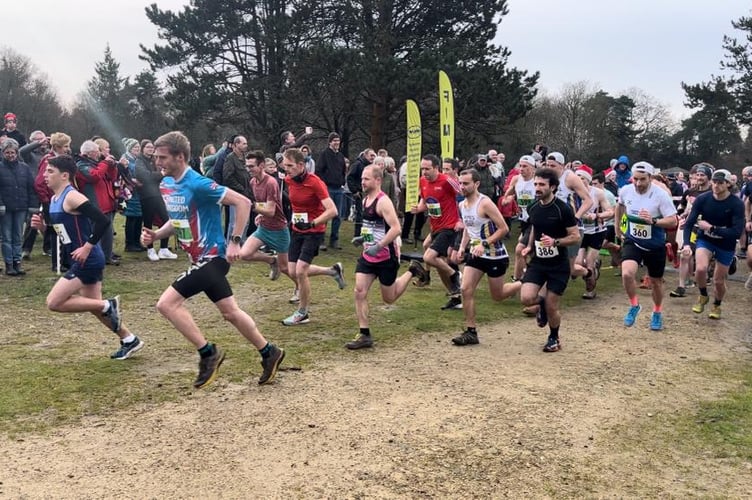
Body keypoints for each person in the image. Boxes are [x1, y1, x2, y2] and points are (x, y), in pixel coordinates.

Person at [141, 131, 284, 388]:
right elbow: (178, 221)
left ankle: (208, 354)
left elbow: (242, 202)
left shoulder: (198, 184)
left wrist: (235, 240)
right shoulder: (167, 184)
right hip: (196, 259)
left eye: (163, 157)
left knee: (167, 304)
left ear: (180, 157)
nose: (157, 162)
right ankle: (269, 352)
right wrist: (156, 235)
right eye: (157, 157)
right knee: (230, 312)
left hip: (213, 258)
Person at [30, 155, 143, 359]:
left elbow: (102, 221)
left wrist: (87, 247)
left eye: (50, 171)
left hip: (87, 260)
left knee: (53, 302)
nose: (45, 175)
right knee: (95, 308)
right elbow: (62, 232)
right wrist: (42, 228)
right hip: (78, 258)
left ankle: (107, 304)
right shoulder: (55, 199)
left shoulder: (72, 196)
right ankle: (129, 339)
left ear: (64, 175)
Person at [348, 165, 419, 349]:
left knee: (389, 298)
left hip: (386, 257)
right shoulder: (365, 200)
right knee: (359, 291)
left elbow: (396, 228)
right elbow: (372, 227)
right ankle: (364, 334)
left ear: (378, 180)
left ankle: (413, 270)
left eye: (366, 179)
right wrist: (362, 238)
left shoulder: (383, 202)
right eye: (362, 179)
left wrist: (379, 246)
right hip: (368, 257)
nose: (362, 182)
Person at [451, 168, 521, 346]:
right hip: (476, 255)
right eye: (461, 183)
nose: (462, 187)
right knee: (466, 289)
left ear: (477, 184)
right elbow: (468, 227)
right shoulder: (462, 205)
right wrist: (462, 247)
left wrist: (484, 243)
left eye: (466, 183)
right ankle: (470, 331)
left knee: (497, 296)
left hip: (495, 255)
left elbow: (504, 228)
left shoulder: (485, 203)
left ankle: (525, 281)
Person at [282, 147, 347, 325]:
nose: (286, 168)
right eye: (284, 165)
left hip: (314, 231)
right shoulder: (289, 179)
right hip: (297, 230)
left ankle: (302, 312)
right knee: (292, 270)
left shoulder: (315, 182)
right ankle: (332, 271)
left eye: (290, 165)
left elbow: (333, 210)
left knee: (301, 271)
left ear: (301, 165)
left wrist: (312, 223)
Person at [519, 168, 580, 352]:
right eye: (536, 184)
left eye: (542, 185)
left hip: (558, 264)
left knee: (552, 305)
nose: (537, 188)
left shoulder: (563, 209)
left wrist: (556, 242)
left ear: (552, 187)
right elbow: (535, 229)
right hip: (538, 261)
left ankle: (554, 337)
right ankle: (542, 307)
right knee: (526, 298)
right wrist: (529, 246)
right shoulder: (533, 207)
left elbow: (575, 236)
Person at [615, 162, 678, 331]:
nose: (638, 183)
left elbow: (673, 220)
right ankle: (634, 305)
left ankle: (657, 312)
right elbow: (620, 206)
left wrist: (654, 221)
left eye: (642, 179)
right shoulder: (626, 190)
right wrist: (618, 229)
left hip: (655, 245)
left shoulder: (660, 195)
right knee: (627, 273)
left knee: (656, 282)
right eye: (635, 179)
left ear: (650, 178)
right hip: (633, 240)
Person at [682, 169, 745, 319]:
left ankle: (717, 305)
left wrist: (711, 228)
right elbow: (689, 223)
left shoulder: (736, 204)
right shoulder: (703, 199)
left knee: (718, 280)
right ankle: (703, 295)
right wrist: (685, 244)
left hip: (726, 244)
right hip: (706, 240)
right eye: (714, 182)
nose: (716, 186)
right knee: (701, 269)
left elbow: (736, 232)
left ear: (728, 184)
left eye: (720, 183)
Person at [407, 154, 463, 309]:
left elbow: (464, 195)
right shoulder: (423, 181)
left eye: (427, 169)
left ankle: (455, 274)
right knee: (438, 263)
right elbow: (425, 201)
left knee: (429, 257)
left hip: (449, 226)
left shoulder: (446, 181)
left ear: (436, 168)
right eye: (422, 168)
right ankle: (455, 295)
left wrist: (462, 219)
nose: (424, 172)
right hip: (435, 227)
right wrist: (418, 208)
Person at [239, 150, 297, 292]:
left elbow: (271, 211)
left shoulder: (271, 183)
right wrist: (260, 214)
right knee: (244, 254)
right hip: (264, 228)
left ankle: (300, 287)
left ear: (262, 165)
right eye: (247, 166)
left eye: (251, 166)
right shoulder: (253, 182)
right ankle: (272, 261)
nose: (249, 169)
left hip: (279, 230)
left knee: (285, 268)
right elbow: (264, 206)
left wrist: (253, 207)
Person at [135, 139, 177, 262]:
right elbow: (145, 176)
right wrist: (160, 174)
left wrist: (158, 174)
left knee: (166, 220)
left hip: (159, 194)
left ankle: (164, 248)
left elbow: (161, 173)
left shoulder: (155, 160)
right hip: (147, 196)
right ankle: (150, 249)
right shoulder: (139, 161)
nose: (150, 149)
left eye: (151, 147)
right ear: (143, 149)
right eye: (147, 147)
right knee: (148, 223)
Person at [0, 138, 38, 275]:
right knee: (6, 237)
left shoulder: (24, 168)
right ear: (3, 153)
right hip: (6, 208)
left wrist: (33, 206)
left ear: (17, 153)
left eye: (13, 152)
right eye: (7, 152)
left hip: (21, 206)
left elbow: (31, 188)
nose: (10, 155)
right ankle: (9, 263)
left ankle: (17, 262)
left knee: (17, 236)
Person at [501, 155, 536, 282]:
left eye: (525, 166)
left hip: (536, 221)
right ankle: (531, 273)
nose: (521, 169)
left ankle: (517, 279)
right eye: (520, 166)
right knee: (531, 251)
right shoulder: (516, 179)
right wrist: (508, 199)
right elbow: (509, 193)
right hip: (524, 220)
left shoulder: (537, 180)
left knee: (520, 249)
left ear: (533, 168)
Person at [315, 132, 347, 250]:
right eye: (334, 141)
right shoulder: (324, 154)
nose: (336, 143)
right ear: (330, 142)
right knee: (325, 214)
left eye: (338, 141)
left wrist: (342, 181)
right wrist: (323, 184)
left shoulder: (340, 156)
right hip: (327, 188)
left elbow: (344, 170)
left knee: (337, 215)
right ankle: (321, 239)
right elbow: (318, 171)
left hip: (339, 188)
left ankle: (334, 239)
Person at [121, 138, 144, 253]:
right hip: (131, 193)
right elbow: (124, 175)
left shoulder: (137, 160)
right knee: (131, 218)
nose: (137, 149)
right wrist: (133, 181)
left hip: (139, 192)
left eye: (138, 147)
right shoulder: (125, 160)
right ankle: (129, 243)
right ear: (130, 148)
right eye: (135, 147)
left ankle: (137, 241)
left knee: (139, 218)